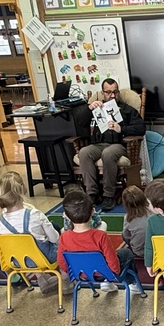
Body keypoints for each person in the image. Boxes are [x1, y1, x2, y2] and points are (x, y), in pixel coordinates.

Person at [78, 78, 145, 212]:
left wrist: (122, 129)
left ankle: (108, 195)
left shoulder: (127, 110)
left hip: (118, 145)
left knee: (107, 154)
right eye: (108, 92)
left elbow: (141, 128)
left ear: (118, 92)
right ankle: (92, 194)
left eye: (115, 92)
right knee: (84, 152)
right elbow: (80, 123)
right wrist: (88, 108)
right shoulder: (96, 107)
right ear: (103, 93)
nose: (112, 95)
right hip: (98, 144)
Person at [0, 171, 60, 294]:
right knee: (58, 239)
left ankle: (42, 279)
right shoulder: (35, 214)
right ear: (22, 190)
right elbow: (55, 239)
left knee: (24, 246)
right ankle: (65, 281)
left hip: (16, 261)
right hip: (43, 259)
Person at [57, 188, 138, 294]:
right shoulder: (101, 236)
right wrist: (113, 274)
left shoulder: (64, 237)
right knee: (126, 253)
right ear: (92, 212)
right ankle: (132, 284)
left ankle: (107, 283)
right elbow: (112, 259)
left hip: (81, 274)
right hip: (105, 273)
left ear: (66, 216)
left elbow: (62, 262)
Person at [121, 185, 150, 258]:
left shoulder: (128, 218)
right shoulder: (153, 212)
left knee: (124, 234)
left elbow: (126, 236)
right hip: (156, 249)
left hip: (139, 252)